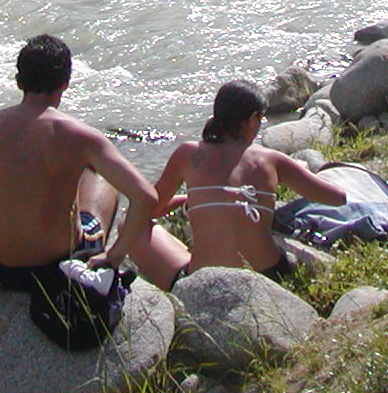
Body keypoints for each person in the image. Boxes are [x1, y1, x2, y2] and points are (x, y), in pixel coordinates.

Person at [0, 35, 163, 329]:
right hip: (59, 265)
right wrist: (114, 257)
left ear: (18, 81)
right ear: (65, 83)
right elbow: (146, 197)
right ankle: (95, 240)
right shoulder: (80, 136)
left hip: (6, 270)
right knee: (99, 179)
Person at [137, 80, 347, 289]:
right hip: (269, 275)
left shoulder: (188, 153)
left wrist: (196, 199)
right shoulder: (271, 159)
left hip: (203, 278)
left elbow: (151, 209)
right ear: (252, 118)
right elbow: (337, 197)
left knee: (134, 227)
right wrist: (300, 169)